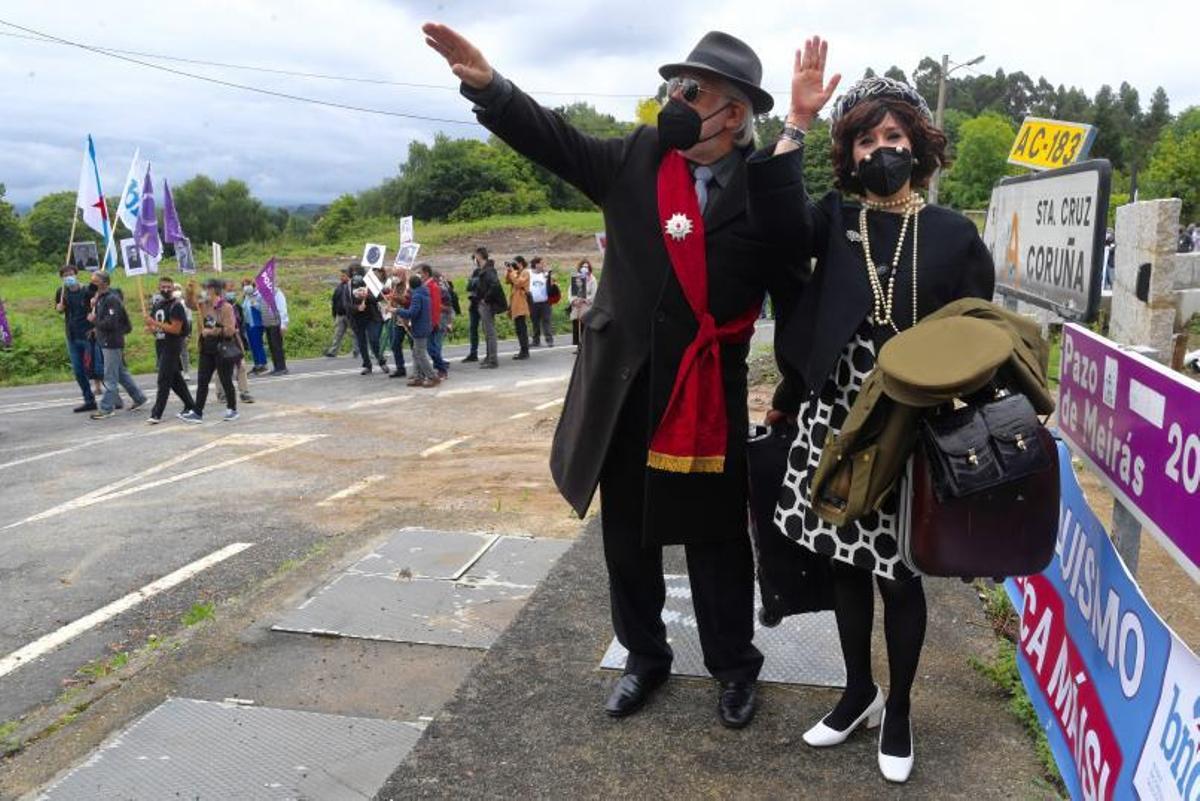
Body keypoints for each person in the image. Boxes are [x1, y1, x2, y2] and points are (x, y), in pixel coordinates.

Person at [426, 23, 798, 727]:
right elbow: (554, 140)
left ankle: (734, 666)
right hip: (626, 388)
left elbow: (797, 289)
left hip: (706, 395)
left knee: (718, 541)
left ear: (736, 113)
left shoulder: (763, 191)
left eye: (693, 91)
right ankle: (644, 658)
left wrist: (793, 386)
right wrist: (491, 88)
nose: (675, 100)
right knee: (627, 537)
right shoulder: (636, 158)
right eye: (673, 87)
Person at [750, 44, 996, 783]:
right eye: (866, 138)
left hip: (911, 426)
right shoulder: (834, 220)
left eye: (894, 138)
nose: (881, 150)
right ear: (849, 154)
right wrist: (795, 120)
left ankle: (900, 707)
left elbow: (980, 335)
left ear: (917, 146)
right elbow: (774, 230)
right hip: (835, 418)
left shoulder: (954, 235)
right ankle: (857, 690)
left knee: (900, 573)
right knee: (843, 563)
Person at [87, 271, 147, 419]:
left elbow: (111, 323)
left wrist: (94, 321)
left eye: (96, 279)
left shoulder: (111, 299)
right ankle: (139, 398)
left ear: (105, 283)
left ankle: (106, 408)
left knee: (110, 376)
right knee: (120, 373)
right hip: (106, 340)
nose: (92, 281)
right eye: (92, 279)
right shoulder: (100, 299)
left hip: (111, 341)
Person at [182, 278, 240, 422]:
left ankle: (232, 409)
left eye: (206, 288)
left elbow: (230, 330)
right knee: (203, 380)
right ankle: (197, 412)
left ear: (214, 290)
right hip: (206, 348)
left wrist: (212, 331)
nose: (204, 291)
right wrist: (189, 291)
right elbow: (190, 304)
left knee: (225, 379)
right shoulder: (203, 305)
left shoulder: (226, 307)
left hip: (222, 347)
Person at [145, 274, 196, 424]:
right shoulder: (158, 305)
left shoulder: (177, 306)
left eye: (168, 287)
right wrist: (150, 327)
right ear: (158, 288)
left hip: (172, 346)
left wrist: (155, 323)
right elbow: (155, 327)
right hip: (160, 345)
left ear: (173, 288)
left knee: (163, 380)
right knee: (175, 380)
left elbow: (175, 329)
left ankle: (156, 413)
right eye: (163, 287)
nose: (165, 289)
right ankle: (191, 405)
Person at [55, 264, 103, 412]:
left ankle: (113, 397)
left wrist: (95, 305)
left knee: (96, 368)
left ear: (76, 274)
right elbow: (58, 309)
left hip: (88, 335)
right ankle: (89, 400)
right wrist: (59, 308)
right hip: (72, 336)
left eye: (70, 274)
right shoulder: (61, 292)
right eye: (65, 275)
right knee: (78, 370)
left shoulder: (87, 290)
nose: (68, 277)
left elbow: (100, 306)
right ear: (62, 278)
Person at [391, 272, 438, 387]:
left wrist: (397, 311)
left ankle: (432, 377)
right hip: (424, 326)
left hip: (420, 327)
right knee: (416, 353)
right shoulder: (423, 293)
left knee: (420, 353)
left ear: (411, 286)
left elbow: (412, 313)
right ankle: (418, 377)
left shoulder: (417, 296)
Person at [350, 274, 389, 375]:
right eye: (356, 287)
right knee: (362, 343)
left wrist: (367, 296)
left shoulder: (369, 289)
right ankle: (367, 365)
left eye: (360, 286)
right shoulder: (348, 292)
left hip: (371, 318)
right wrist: (357, 308)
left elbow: (379, 297)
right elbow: (346, 306)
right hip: (357, 320)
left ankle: (381, 361)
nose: (359, 289)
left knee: (373, 339)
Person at [418, 264, 452, 379]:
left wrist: (434, 322)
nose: (420, 275)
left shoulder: (433, 287)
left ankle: (441, 369)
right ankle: (440, 369)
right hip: (429, 321)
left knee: (432, 348)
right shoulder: (426, 286)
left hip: (432, 322)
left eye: (421, 273)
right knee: (430, 348)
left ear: (426, 273)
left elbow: (435, 306)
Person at [476, 256, 504, 368]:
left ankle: (493, 360)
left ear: (479, 257)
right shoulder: (485, 271)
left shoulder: (489, 271)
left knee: (490, 333)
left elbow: (495, 285)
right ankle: (489, 357)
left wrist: (485, 298)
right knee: (487, 333)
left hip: (488, 305)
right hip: (485, 304)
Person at [259, 279, 289, 375]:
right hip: (268, 324)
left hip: (276, 323)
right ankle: (276, 367)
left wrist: (284, 324)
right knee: (272, 347)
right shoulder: (264, 294)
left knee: (277, 347)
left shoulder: (277, 293)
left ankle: (282, 368)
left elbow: (282, 309)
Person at [462, 246, 487, 362]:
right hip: (474, 302)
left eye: (475, 258)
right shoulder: (476, 271)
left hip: (483, 302)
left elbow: (476, 285)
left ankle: (488, 352)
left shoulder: (486, 270)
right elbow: (468, 287)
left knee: (486, 329)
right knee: (473, 329)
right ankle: (473, 352)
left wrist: (473, 282)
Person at [326, 267, 356, 357]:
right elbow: (334, 301)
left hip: (350, 315)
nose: (341, 278)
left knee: (354, 334)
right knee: (337, 334)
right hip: (340, 315)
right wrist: (334, 314)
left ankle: (356, 351)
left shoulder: (353, 286)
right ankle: (333, 351)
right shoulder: (339, 287)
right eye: (341, 276)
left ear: (348, 276)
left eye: (343, 276)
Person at [568, 259, 597, 352]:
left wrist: (585, 299)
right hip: (577, 306)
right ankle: (578, 346)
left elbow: (594, 294)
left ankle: (586, 347)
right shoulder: (577, 278)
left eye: (587, 267)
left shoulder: (592, 279)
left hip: (586, 306)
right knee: (577, 326)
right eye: (583, 267)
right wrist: (574, 301)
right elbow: (570, 291)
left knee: (585, 327)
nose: (585, 268)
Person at [241, 280, 269, 374]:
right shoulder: (245, 297)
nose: (246, 287)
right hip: (248, 324)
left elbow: (263, 308)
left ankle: (263, 365)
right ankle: (257, 365)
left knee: (258, 344)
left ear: (252, 286)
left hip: (257, 323)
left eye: (247, 285)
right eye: (244, 285)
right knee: (252, 345)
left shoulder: (259, 295)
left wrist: (255, 304)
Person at [505, 256, 531, 359]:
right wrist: (509, 271)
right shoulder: (516, 272)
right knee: (519, 329)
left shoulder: (525, 272)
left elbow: (518, 282)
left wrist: (512, 272)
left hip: (521, 304)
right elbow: (507, 281)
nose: (514, 265)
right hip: (515, 304)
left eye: (515, 263)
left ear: (520, 263)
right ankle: (522, 350)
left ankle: (525, 351)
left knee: (521, 328)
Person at [528, 256, 554, 347]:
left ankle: (549, 340)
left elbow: (552, 285)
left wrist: (550, 276)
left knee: (546, 321)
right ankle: (536, 340)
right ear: (536, 264)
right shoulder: (529, 273)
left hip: (545, 302)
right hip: (533, 302)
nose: (543, 265)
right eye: (541, 263)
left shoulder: (546, 274)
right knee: (535, 322)